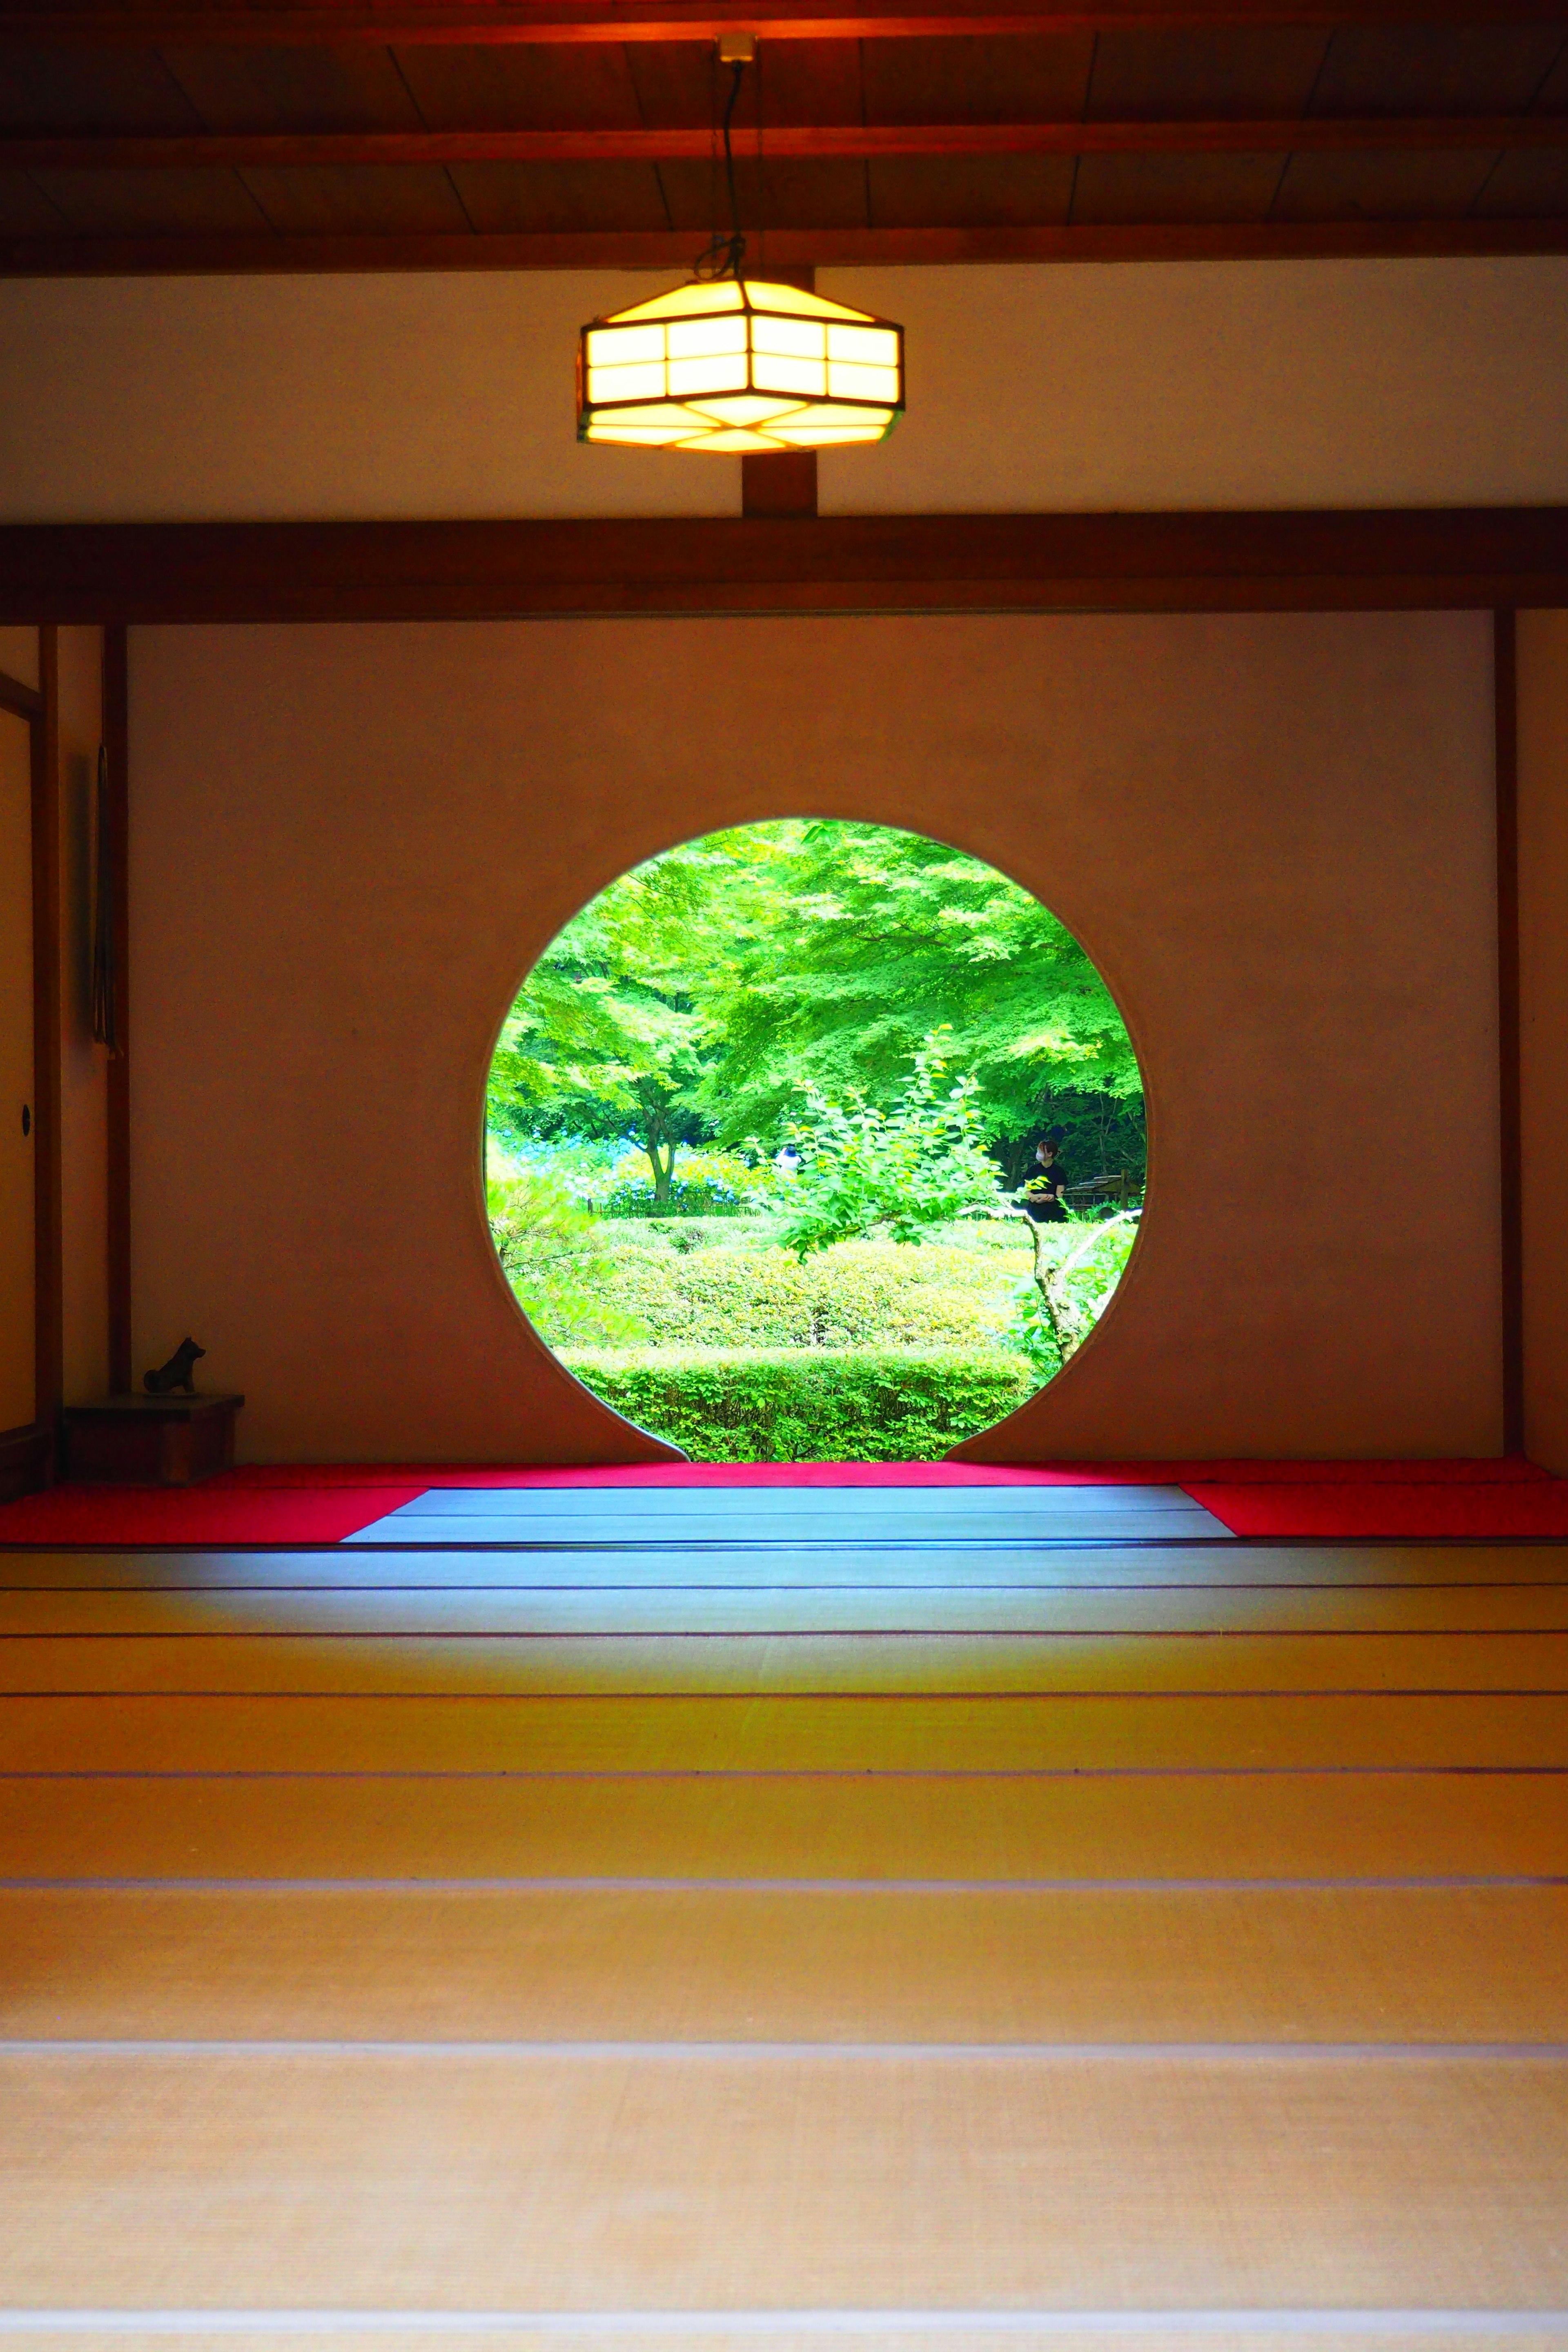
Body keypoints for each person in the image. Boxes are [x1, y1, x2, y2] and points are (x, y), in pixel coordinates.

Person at [1022, 1128, 1069, 1223]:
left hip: (1054, 1212)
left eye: (1042, 1152)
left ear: (1050, 1154)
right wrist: (1034, 1198)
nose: (1039, 1154)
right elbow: (1026, 1191)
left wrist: (1049, 1197)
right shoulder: (1033, 1170)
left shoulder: (1059, 1171)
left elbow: (1060, 1195)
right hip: (1035, 1211)